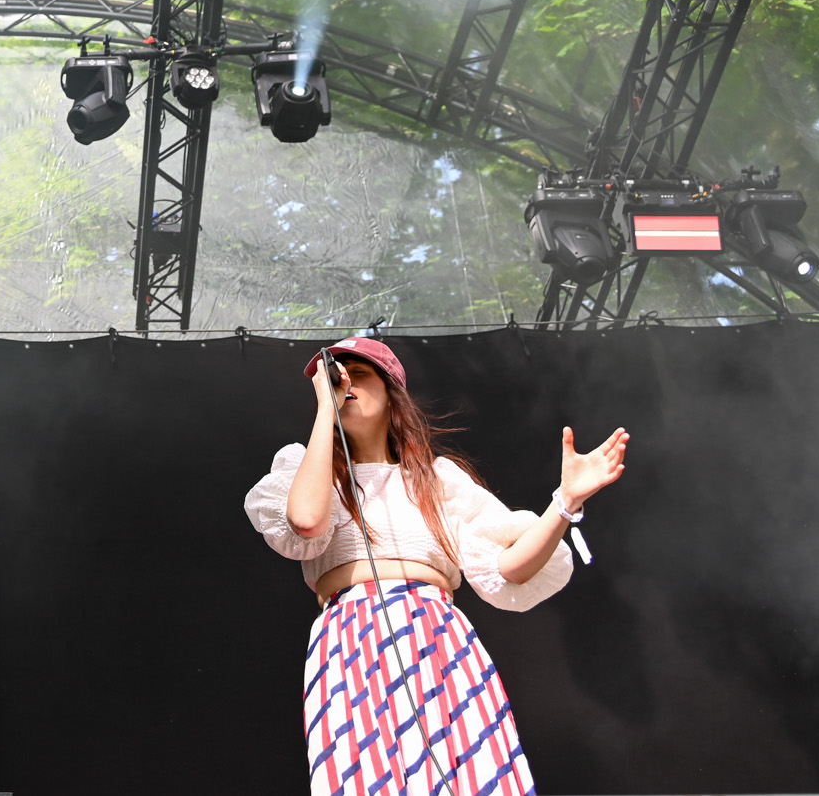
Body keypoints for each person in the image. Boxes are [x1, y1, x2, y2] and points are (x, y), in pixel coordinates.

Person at [244, 336, 628, 796]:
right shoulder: (305, 468)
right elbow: (306, 522)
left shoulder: (438, 478)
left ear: (391, 393)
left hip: (435, 633)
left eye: (358, 375)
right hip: (349, 639)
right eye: (333, 376)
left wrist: (564, 503)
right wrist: (326, 409)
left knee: (467, 773)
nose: (344, 383)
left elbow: (510, 569)